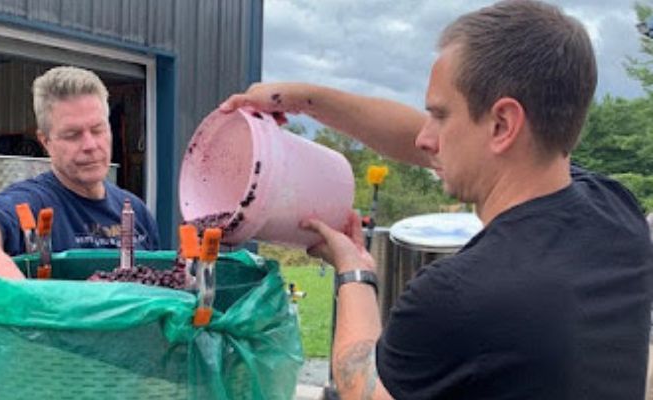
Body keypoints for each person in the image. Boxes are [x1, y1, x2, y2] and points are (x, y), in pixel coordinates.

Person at [220, 0, 653, 399]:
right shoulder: (617, 213)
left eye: (440, 115)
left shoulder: (461, 296)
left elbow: (362, 388)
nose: (426, 139)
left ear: (503, 124)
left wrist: (355, 272)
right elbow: (421, 139)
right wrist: (302, 99)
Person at [0, 66, 160, 279]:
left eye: (98, 130)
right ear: (46, 142)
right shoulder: (32, 202)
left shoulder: (136, 212)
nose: (90, 145)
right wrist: (15, 286)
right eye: (72, 135)